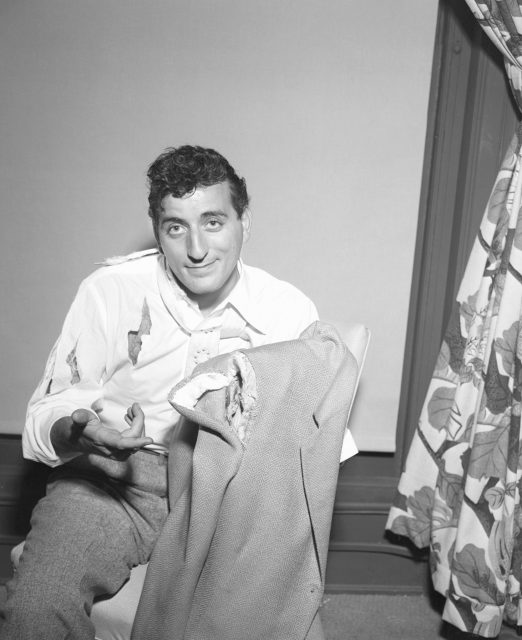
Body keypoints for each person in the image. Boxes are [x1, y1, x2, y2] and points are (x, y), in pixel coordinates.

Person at [0, 145, 318, 639]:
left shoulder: (287, 311)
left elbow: (306, 455)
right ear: (158, 232)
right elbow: (51, 409)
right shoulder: (110, 290)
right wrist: (78, 432)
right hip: (116, 483)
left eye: (213, 222)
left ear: (244, 222)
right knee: (36, 610)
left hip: (231, 498)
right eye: (176, 227)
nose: (197, 248)